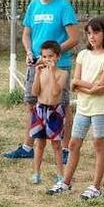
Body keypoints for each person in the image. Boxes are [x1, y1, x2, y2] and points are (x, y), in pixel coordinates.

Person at [3, 0, 79, 162]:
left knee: (62, 106)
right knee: (31, 104)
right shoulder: (33, 5)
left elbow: (74, 38)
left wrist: (50, 56)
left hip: (58, 65)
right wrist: (29, 52)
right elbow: (26, 34)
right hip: (36, 65)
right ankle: (28, 147)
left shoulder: (63, 6)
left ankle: (65, 150)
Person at [48, 18, 104, 199]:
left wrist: (83, 85)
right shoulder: (83, 55)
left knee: (98, 145)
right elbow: (74, 84)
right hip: (84, 107)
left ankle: (95, 186)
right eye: (89, 33)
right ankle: (66, 182)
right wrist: (89, 87)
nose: (92, 36)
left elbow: (102, 86)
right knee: (73, 144)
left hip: (100, 108)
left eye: (96, 32)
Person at [29, 41, 68, 185]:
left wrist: (51, 72)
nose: (47, 59)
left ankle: (60, 174)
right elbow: (34, 92)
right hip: (40, 109)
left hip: (54, 111)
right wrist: (37, 74)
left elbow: (56, 91)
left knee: (56, 145)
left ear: (58, 56)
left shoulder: (63, 74)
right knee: (39, 143)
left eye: (50, 56)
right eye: (44, 57)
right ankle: (36, 173)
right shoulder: (40, 72)